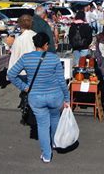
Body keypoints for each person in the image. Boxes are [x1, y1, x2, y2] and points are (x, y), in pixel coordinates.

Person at [8, 32, 69, 163]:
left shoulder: (26, 58)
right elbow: (61, 81)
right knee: (55, 121)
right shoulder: (54, 58)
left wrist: (24, 87)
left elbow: (11, 74)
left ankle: (47, 155)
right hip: (55, 96)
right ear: (46, 45)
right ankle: (54, 143)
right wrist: (67, 98)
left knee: (42, 125)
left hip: (36, 97)